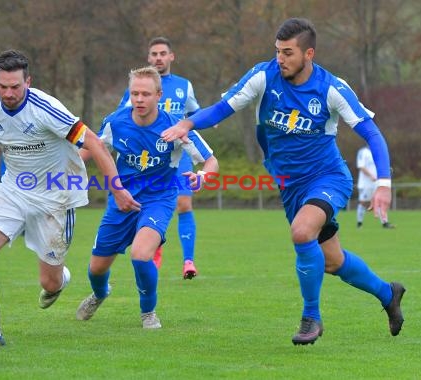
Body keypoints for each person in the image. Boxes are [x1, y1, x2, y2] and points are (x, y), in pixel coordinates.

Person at [161, 18, 405, 345]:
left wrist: (385, 184)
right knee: (332, 261)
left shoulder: (331, 88)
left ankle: (311, 318)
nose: (281, 59)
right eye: (277, 51)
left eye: (288, 53)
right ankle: (388, 294)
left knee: (302, 232)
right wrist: (187, 123)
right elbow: (222, 109)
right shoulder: (263, 76)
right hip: (290, 187)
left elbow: (372, 134)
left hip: (328, 178)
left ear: (309, 54)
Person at [0, 49, 137, 345]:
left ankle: (60, 279)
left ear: (28, 82)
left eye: (15, 87)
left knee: (48, 283)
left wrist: (117, 188)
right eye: (2, 86)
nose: (8, 93)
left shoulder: (46, 108)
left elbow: (95, 144)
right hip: (13, 190)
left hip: (56, 197)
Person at [76, 66, 218, 328]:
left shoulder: (176, 127)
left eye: (145, 94)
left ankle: (148, 313)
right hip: (121, 201)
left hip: (158, 200)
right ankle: (99, 293)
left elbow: (210, 161)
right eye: (134, 93)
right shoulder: (115, 123)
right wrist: (65, 167)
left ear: (159, 95)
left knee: (141, 255)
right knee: (96, 269)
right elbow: (91, 149)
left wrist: (202, 176)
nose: (139, 99)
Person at [118, 36, 209, 279]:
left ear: (171, 57)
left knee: (184, 204)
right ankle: (154, 245)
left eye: (162, 53)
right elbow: (121, 115)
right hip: (151, 156)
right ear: (149, 58)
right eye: (154, 54)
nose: (158, 57)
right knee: (152, 201)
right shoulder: (140, 87)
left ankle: (188, 261)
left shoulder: (184, 85)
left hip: (179, 154)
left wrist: (206, 121)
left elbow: (195, 113)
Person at [356, 145, 395, 228]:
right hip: (366, 183)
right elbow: (361, 166)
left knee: (381, 201)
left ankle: (385, 223)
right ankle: (359, 223)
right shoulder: (363, 152)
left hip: (378, 182)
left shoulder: (379, 152)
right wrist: (371, 176)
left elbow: (381, 165)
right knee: (363, 203)